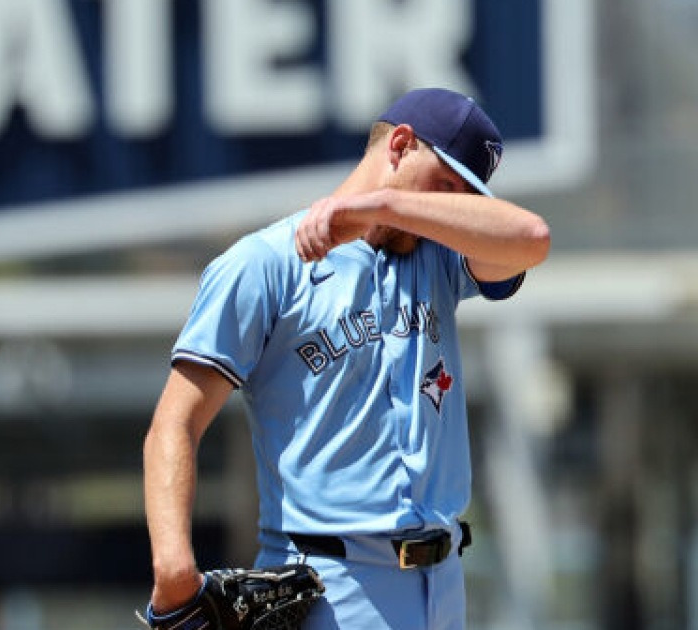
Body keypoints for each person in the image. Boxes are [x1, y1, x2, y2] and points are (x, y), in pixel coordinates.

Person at [142, 87, 550, 629]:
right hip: (331, 587)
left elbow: (532, 239)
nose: (449, 208)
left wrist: (387, 204)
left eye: (466, 199)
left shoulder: (440, 258)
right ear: (399, 146)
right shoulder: (265, 264)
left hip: (444, 587)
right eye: (447, 185)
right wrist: (174, 569)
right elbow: (175, 421)